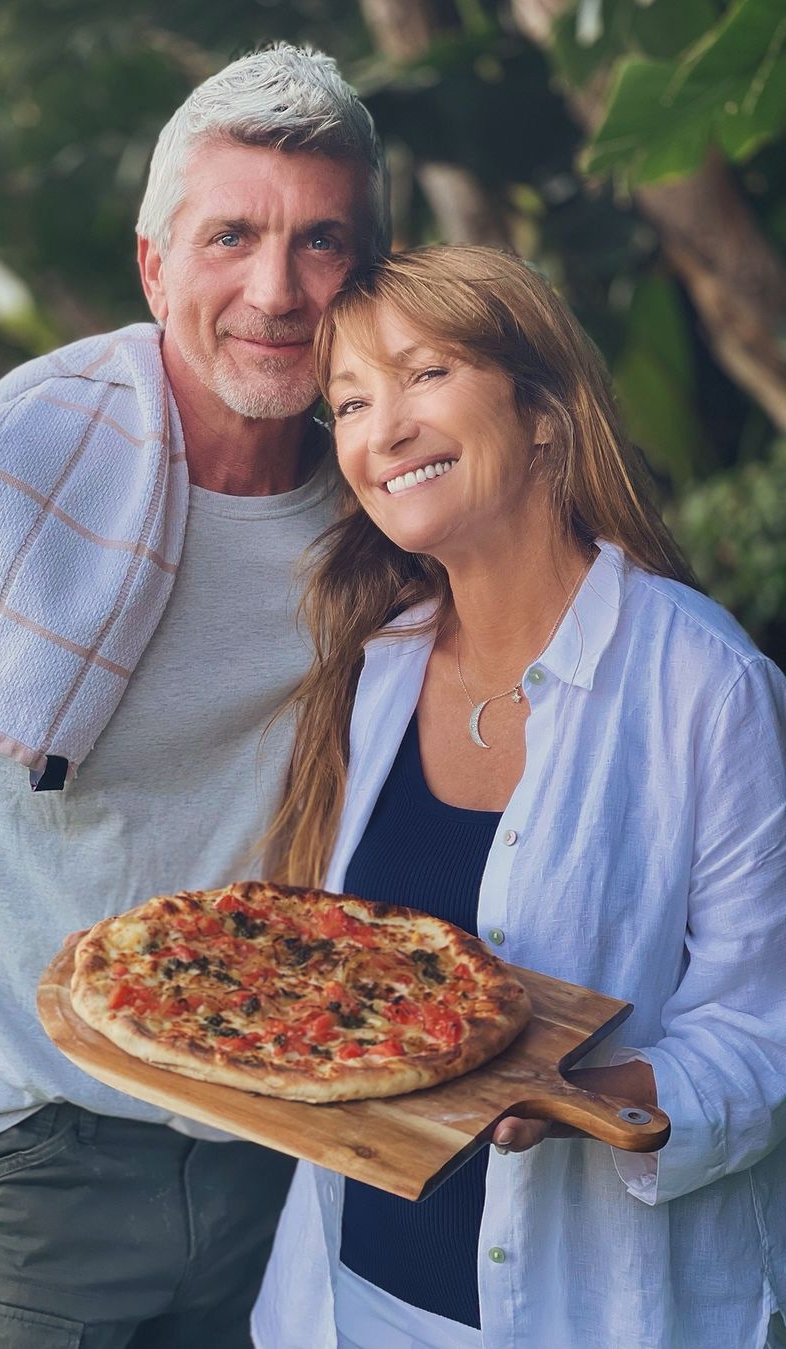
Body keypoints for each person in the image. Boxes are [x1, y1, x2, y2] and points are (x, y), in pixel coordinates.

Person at [0, 44, 389, 1349]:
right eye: (231, 236)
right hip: (27, 1160)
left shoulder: (386, 514)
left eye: (320, 242)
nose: (275, 290)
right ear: (156, 265)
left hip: (288, 1144)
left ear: (368, 272)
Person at [250, 245, 786, 1349]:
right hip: (347, 1299)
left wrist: (567, 1093)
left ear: (545, 410)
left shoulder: (706, 682)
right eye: (349, 402)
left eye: (424, 374)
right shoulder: (375, 668)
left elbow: (764, 1034)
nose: (380, 428)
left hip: (587, 1305)